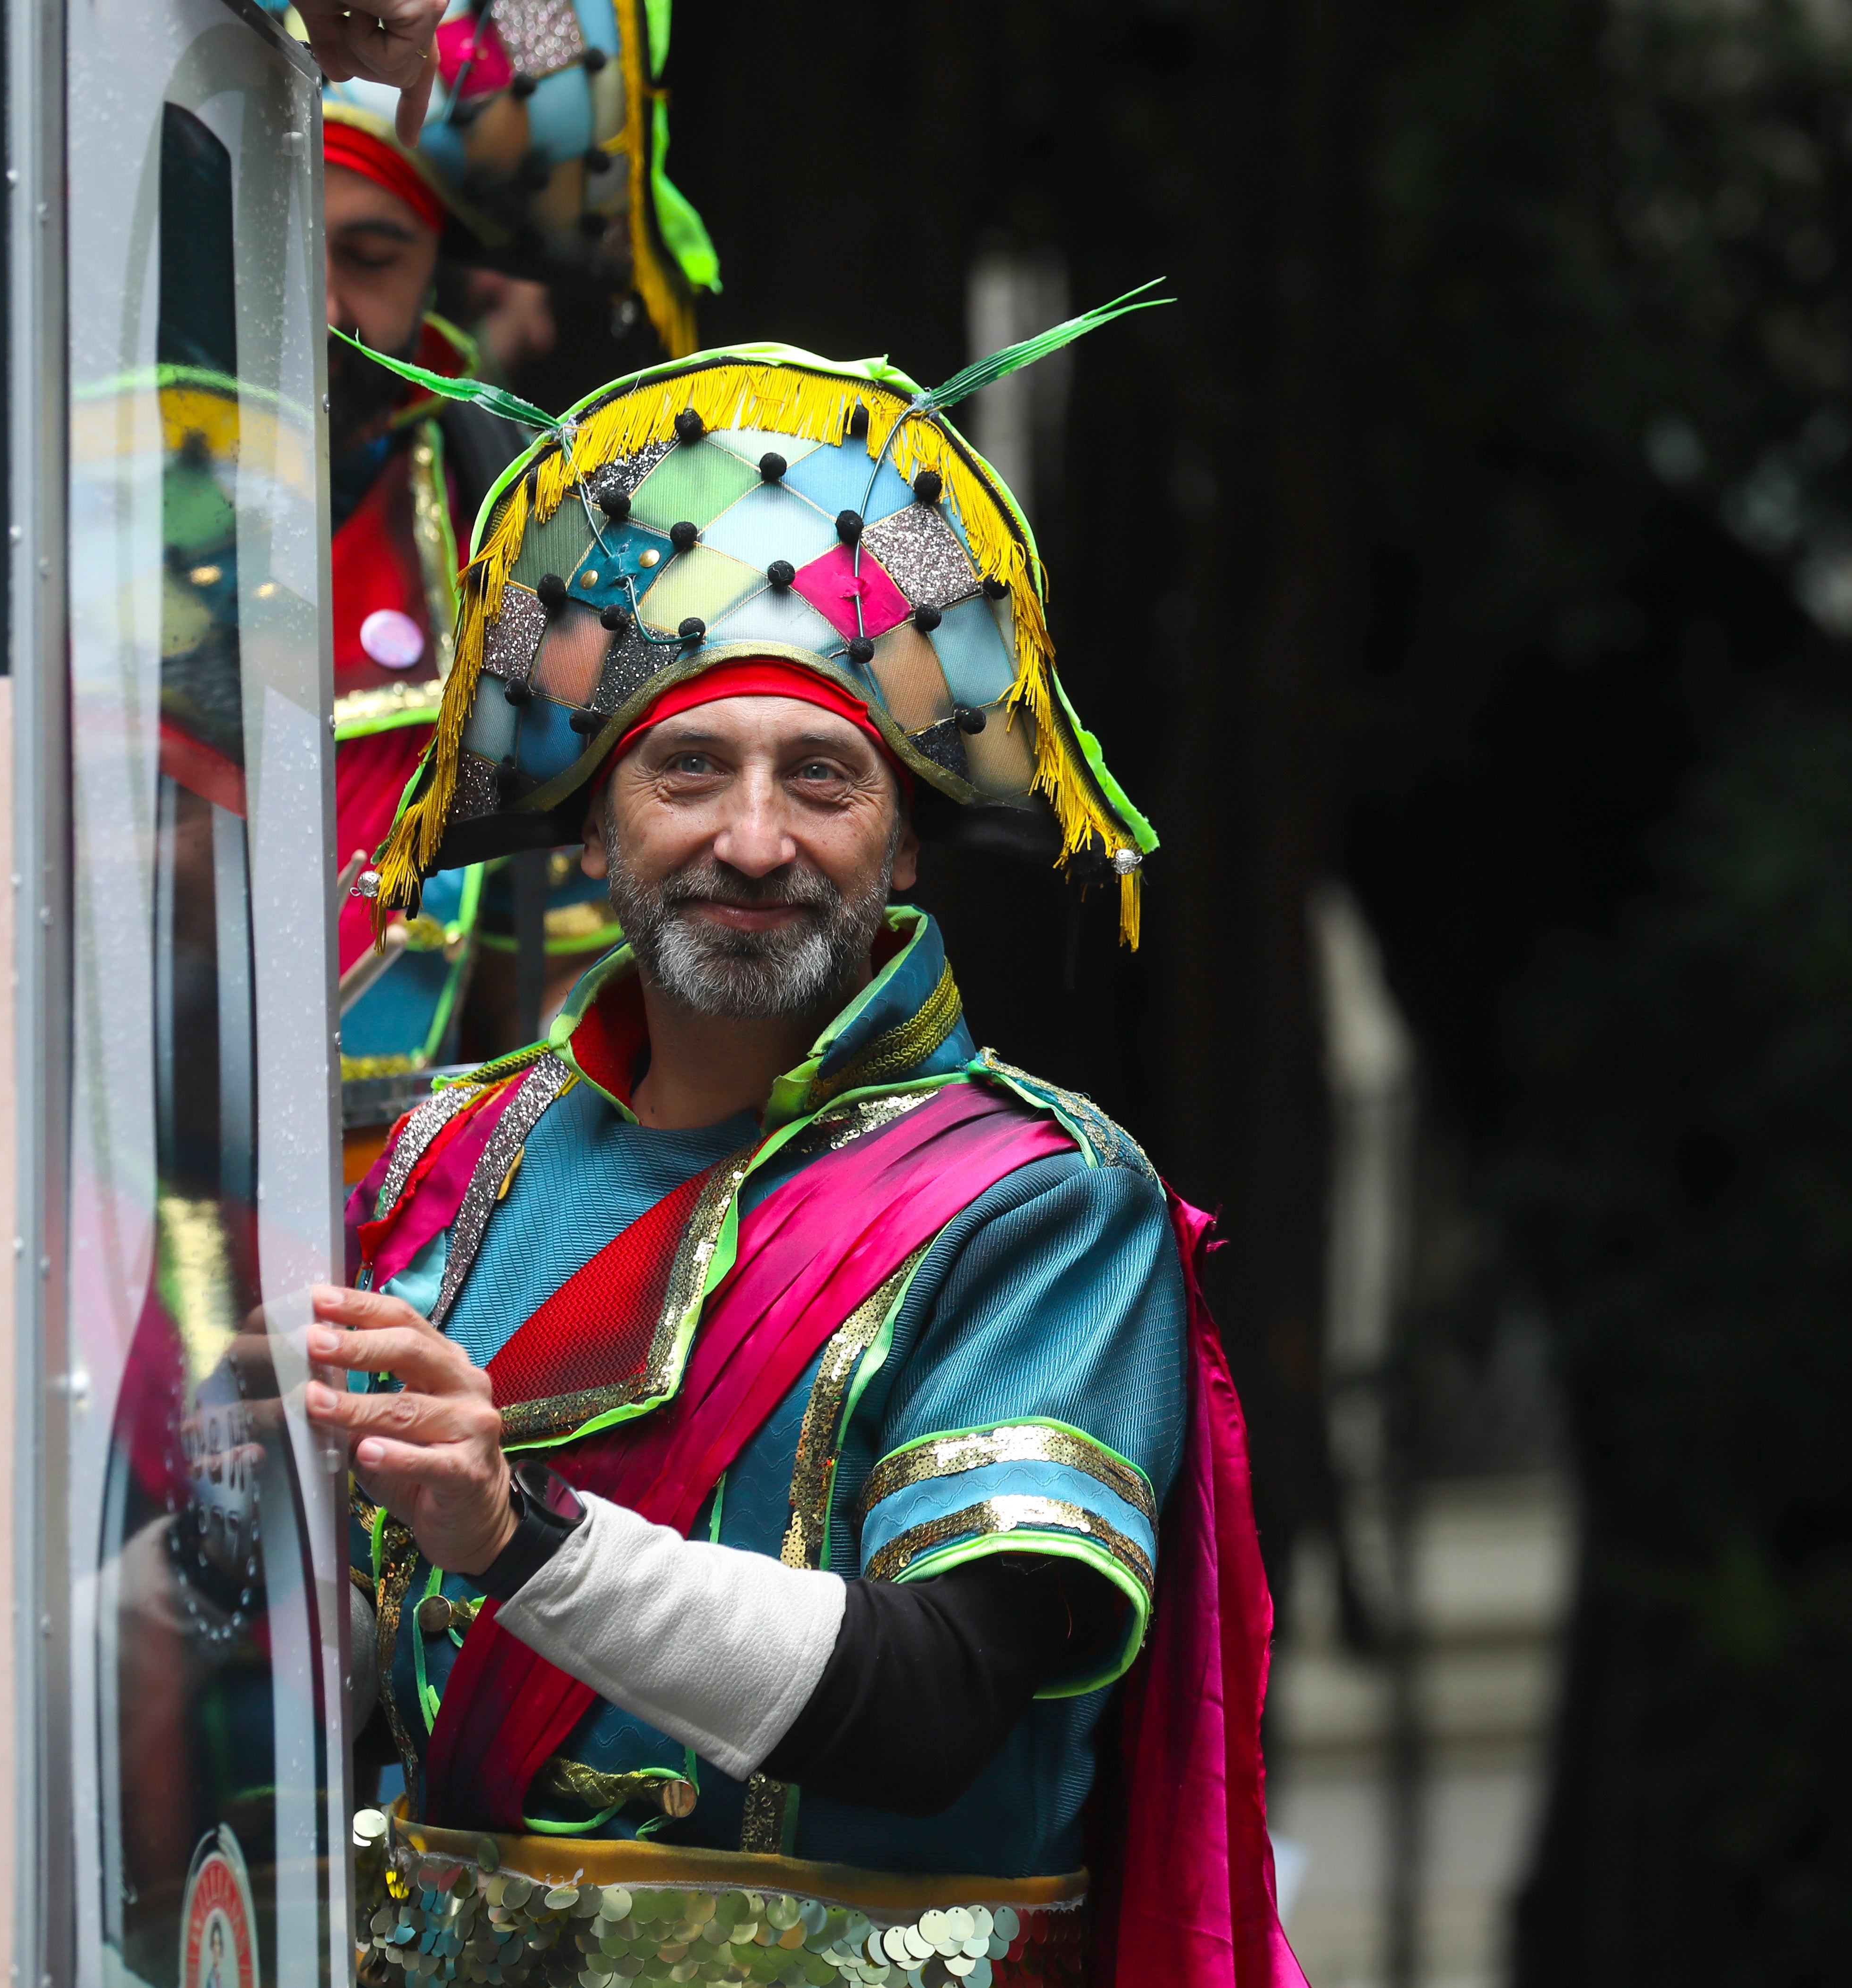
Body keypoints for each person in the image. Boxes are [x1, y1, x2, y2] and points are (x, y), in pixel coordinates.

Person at [312, 331, 1298, 1988]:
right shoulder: (436, 1153)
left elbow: (930, 1706)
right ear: (598, 824)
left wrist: (512, 1526)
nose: (752, 839)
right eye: (688, 767)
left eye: (821, 779)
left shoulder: (1042, 1202)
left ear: (902, 837)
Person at [311, 0, 719, 1089]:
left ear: (435, 265)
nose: (325, 303)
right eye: (284, 247)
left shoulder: (534, 529)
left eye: (371, 254)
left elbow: (570, 979)